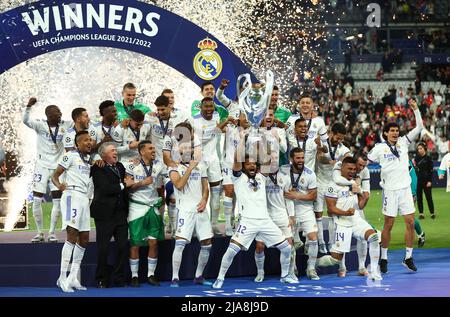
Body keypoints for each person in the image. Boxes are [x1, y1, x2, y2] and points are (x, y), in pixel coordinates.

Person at [212, 134, 297, 289]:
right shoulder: (238, 178)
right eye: (248, 164)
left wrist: (262, 138)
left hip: (265, 221)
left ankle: (284, 276)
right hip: (247, 221)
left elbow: (266, 159)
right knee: (231, 251)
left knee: (286, 247)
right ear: (244, 166)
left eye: (253, 164)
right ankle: (220, 278)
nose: (251, 166)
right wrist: (244, 139)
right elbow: (237, 159)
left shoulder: (261, 176)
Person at [367, 99, 423, 273]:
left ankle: (408, 257)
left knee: (410, 222)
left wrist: (416, 110)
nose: (395, 133)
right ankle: (384, 258)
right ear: (385, 133)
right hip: (390, 191)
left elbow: (419, 127)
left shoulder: (404, 142)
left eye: (397, 131)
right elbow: (366, 161)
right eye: (392, 131)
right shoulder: (378, 149)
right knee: (388, 225)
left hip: (405, 189)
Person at [319, 156, 382, 281]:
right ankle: (313, 264)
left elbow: (361, 205)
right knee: (334, 259)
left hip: (356, 220)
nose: (352, 171)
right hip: (341, 223)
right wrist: (345, 213)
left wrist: (362, 194)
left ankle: (374, 271)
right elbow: (330, 209)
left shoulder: (354, 184)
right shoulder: (332, 186)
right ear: (342, 168)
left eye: (354, 169)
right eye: (349, 169)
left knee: (373, 237)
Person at [23, 97, 72, 243]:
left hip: (58, 169)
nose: (60, 114)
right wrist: (28, 107)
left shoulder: (66, 124)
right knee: (37, 199)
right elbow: (25, 121)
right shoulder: (40, 125)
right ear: (49, 115)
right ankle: (39, 233)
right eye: (57, 112)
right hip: (41, 167)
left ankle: (51, 233)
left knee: (57, 200)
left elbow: (79, 123)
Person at [51, 131, 93, 292]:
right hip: (71, 195)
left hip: (84, 198)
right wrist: (58, 185)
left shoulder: (89, 160)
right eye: (86, 140)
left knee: (84, 238)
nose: (90, 142)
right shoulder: (70, 156)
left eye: (90, 140)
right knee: (72, 234)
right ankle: (62, 277)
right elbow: (55, 175)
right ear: (78, 143)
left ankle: (73, 277)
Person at [168, 140, 213, 287]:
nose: (188, 150)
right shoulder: (173, 167)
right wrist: (189, 169)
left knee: (207, 243)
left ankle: (199, 276)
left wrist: (205, 199)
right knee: (180, 244)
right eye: (185, 148)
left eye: (190, 148)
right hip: (185, 210)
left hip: (200, 209)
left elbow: (205, 185)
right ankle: (175, 277)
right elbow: (179, 185)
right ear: (179, 152)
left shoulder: (201, 165)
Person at [124, 141, 166, 287]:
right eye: (150, 148)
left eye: (154, 148)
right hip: (137, 208)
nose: (153, 150)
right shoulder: (132, 166)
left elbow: (167, 180)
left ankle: (151, 275)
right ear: (142, 152)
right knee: (135, 243)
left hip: (153, 207)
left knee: (153, 242)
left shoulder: (159, 165)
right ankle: (134, 276)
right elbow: (127, 188)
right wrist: (142, 183)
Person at [90, 142, 131, 288]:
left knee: (122, 246)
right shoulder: (97, 167)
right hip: (104, 214)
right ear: (103, 155)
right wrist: (124, 185)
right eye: (112, 150)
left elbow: (127, 180)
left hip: (120, 214)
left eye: (115, 150)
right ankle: (102, 278)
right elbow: (105, 188)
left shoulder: (120, 166)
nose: (116, 152)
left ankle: (119, 278)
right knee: (103, 248)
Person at [192, 97, 234, 235]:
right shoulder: (195, 121)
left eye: (211, 106)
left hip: (214, 160)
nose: (209, 109)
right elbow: (210, 135)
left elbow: (219, 132)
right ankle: (198, 226)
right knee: (200, 195)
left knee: (216, 195)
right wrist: (225, 122)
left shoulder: (216, 115)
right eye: (206, 107)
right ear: (201, 107)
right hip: (200, 161)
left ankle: (214, 225)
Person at [253, 151, 296, 282]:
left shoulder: (285, 177)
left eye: (275, 159)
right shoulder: (259, 176)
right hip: (265, 216)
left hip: (282, 215)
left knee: (290, 245)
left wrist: (292, 215)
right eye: (270, 159)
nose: (273, 161)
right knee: (260, 246)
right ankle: (260, 272)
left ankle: (289, 273)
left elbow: (288, 198)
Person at [332, 153, 372, 276]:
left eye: (363, 166)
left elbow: (367, 192)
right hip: (341, 205)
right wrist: (353, 184)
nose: (361, 168)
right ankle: (342, 268)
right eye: (359, 165)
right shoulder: (340, 165)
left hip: (356, 206)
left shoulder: (365, 171)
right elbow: (337, 180)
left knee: (364, 237)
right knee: (343, 237)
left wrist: (360, 192)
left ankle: (361, 267)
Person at [284, 148, 320, 280]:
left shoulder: (310, 174)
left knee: (313, 237)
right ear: (291, 159)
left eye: (302, 158)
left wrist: (297, 195)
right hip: (288, 211)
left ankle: (311, 269)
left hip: (305, 210)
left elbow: (313, 196)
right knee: (290, 241)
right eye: (298, 158)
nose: (301, 161)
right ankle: (291, 268)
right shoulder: (284, 171)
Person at [316, 123, 351, 260]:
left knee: (331, 213)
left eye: (342, 138)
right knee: (318, 213)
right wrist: (334, 161)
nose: (339, 140)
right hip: (319, 181)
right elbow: (319, 157)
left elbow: (347, 159)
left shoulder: (344, 148)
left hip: (332, 183)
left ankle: (331, 242)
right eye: (338, 137)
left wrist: (342, 160)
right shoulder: (322, 142)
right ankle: (321, 242)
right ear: (331, 133)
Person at [414, 143, 436, 219]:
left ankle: (432, 213)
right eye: (418, 149)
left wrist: (430, 181)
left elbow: (431, 171)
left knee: (429, 197)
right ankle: (421, 213)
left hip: (427, 181)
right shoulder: (416, 158)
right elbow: (416, 169)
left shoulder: (428, 158)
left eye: (421, 148)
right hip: (419, 181)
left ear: (424, 149)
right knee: (419, 198)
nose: (419, 150)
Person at [408, 160, 426, 247]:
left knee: (410, 217)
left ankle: (420, 234)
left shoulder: (406, 162)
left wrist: (413, 193)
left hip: (409, 193)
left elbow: (414, 178)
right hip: (397, 193)